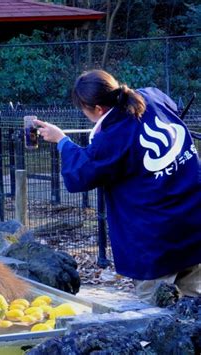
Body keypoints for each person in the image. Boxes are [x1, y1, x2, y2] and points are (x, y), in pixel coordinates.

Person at [33, 69, 201, 303]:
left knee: (155, 313)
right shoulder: (149, 97)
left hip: (156, 240)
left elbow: (80, 173)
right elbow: (169, 106)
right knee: (194, 308)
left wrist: (62, 141)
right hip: (193, 223)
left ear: (97, 109)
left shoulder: (112, 137)